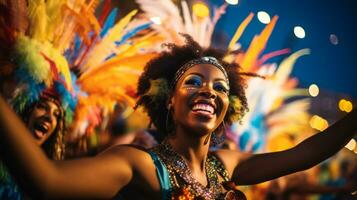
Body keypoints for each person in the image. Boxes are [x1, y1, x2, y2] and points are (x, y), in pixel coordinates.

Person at [0, 35, 356, 200]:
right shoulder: (137, 164)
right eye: (194, 82)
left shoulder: (226, 166)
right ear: (169, 100)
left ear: (227, 108)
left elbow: (306, 154)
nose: (209, 92)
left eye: (220, 89)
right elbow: (46, 183)